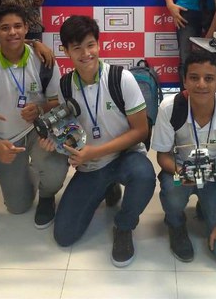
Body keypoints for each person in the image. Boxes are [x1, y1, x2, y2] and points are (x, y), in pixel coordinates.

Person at [50, 16, 155, 267]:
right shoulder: (65, 86)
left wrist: (94, 152)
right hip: (92, 165)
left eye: (91, 45)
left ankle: (124, 226)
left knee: (144, 175)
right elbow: (70, 130)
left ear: (99, 44)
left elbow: (141, 131)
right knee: (64, 236)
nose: (86, 54)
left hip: (126, 155)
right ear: (66, 51)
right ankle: (108, 186)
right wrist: (58, 143)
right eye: (77, 48)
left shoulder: (121, 78)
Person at [0, 4, 67, 229]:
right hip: (4, 136)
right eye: (5, 28)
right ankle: (27, 173)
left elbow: (57, 103)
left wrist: (40, 109)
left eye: (17, 26)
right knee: (17, 206)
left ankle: (47, 196)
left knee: (54, 171)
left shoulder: (44, 59)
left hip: (39, 129)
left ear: (26, 28)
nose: (12, 32)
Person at [152, 50, 216, 264]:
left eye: (209, 78)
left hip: (214, 177)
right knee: (172, 191)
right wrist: (182, 171)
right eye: (194, 78)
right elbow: (162, 157)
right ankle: (175, 223)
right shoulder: (170, 108)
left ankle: (209, 206)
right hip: (180, 172)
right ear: (184, 81)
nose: (201, 84)